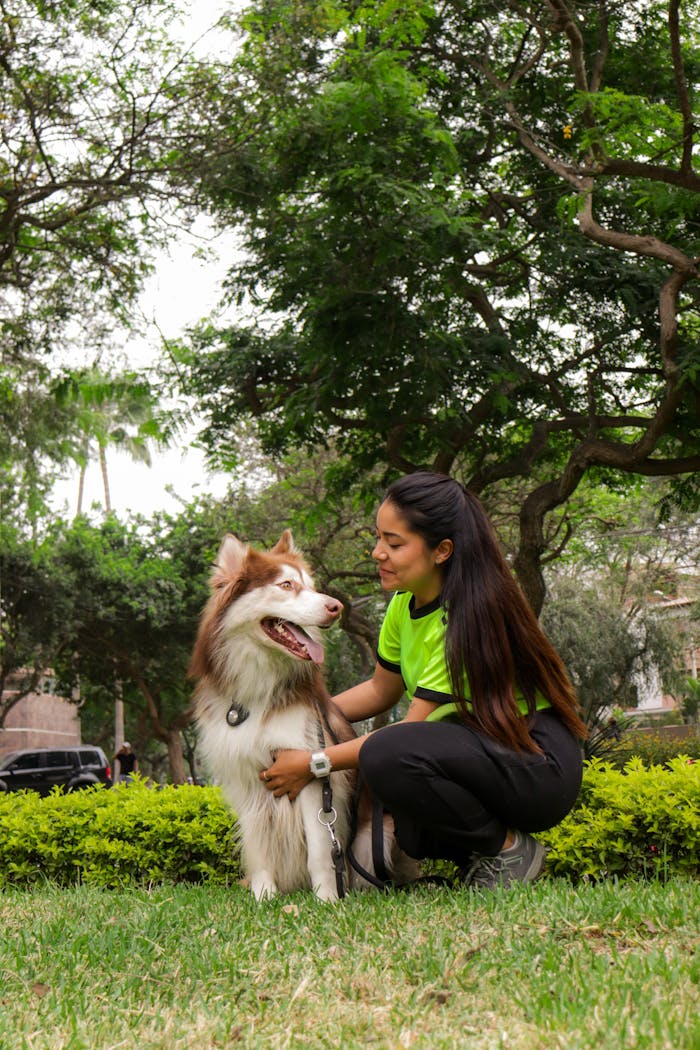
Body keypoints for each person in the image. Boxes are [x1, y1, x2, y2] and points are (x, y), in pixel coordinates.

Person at [260, 472, 587, 889]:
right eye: (378, 538)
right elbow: (381, 690)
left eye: (395, 544)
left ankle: (509, 851)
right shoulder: (403, 606)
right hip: (483, 750)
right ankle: (487, 855)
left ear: (442, 550)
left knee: (386, 757)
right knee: (409, 822)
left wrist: (311, 762)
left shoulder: (468, 618)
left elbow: (409, 732)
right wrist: (300, 718)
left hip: (537, 765)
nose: (378, 553)